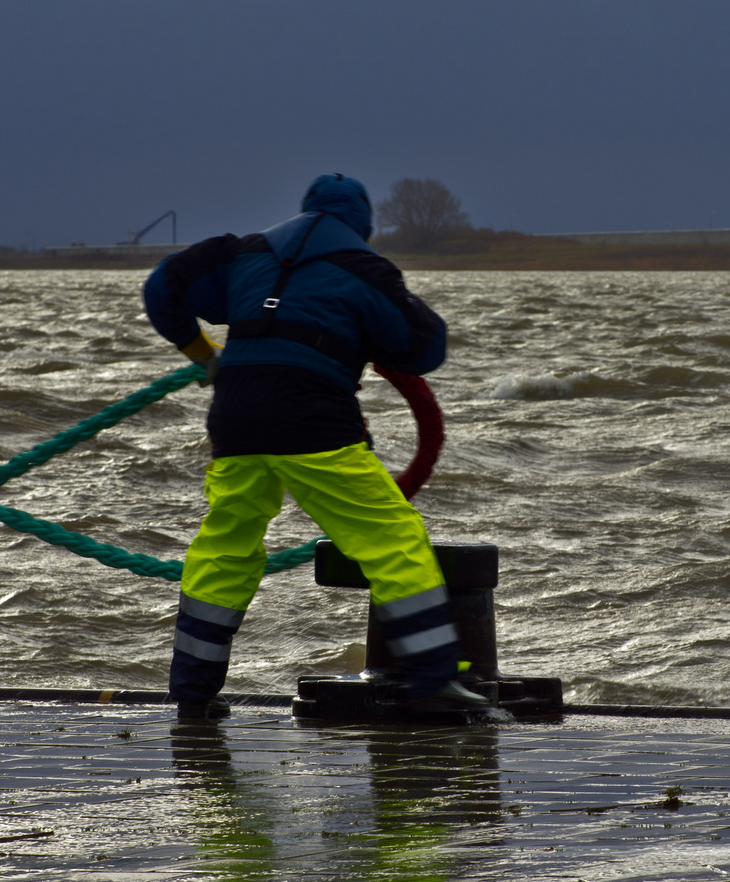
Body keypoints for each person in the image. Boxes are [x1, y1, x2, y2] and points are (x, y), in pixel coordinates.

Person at [141, 173, 486, 720]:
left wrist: (203, 354)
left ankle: (192, 693)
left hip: (235, 417)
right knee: (390, 537)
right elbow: (426, 346)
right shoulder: (364, 267)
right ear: (363, 227)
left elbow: (162, 287)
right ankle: (432, 684)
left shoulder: (243, 251)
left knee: (226, 545)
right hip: (313, 417)